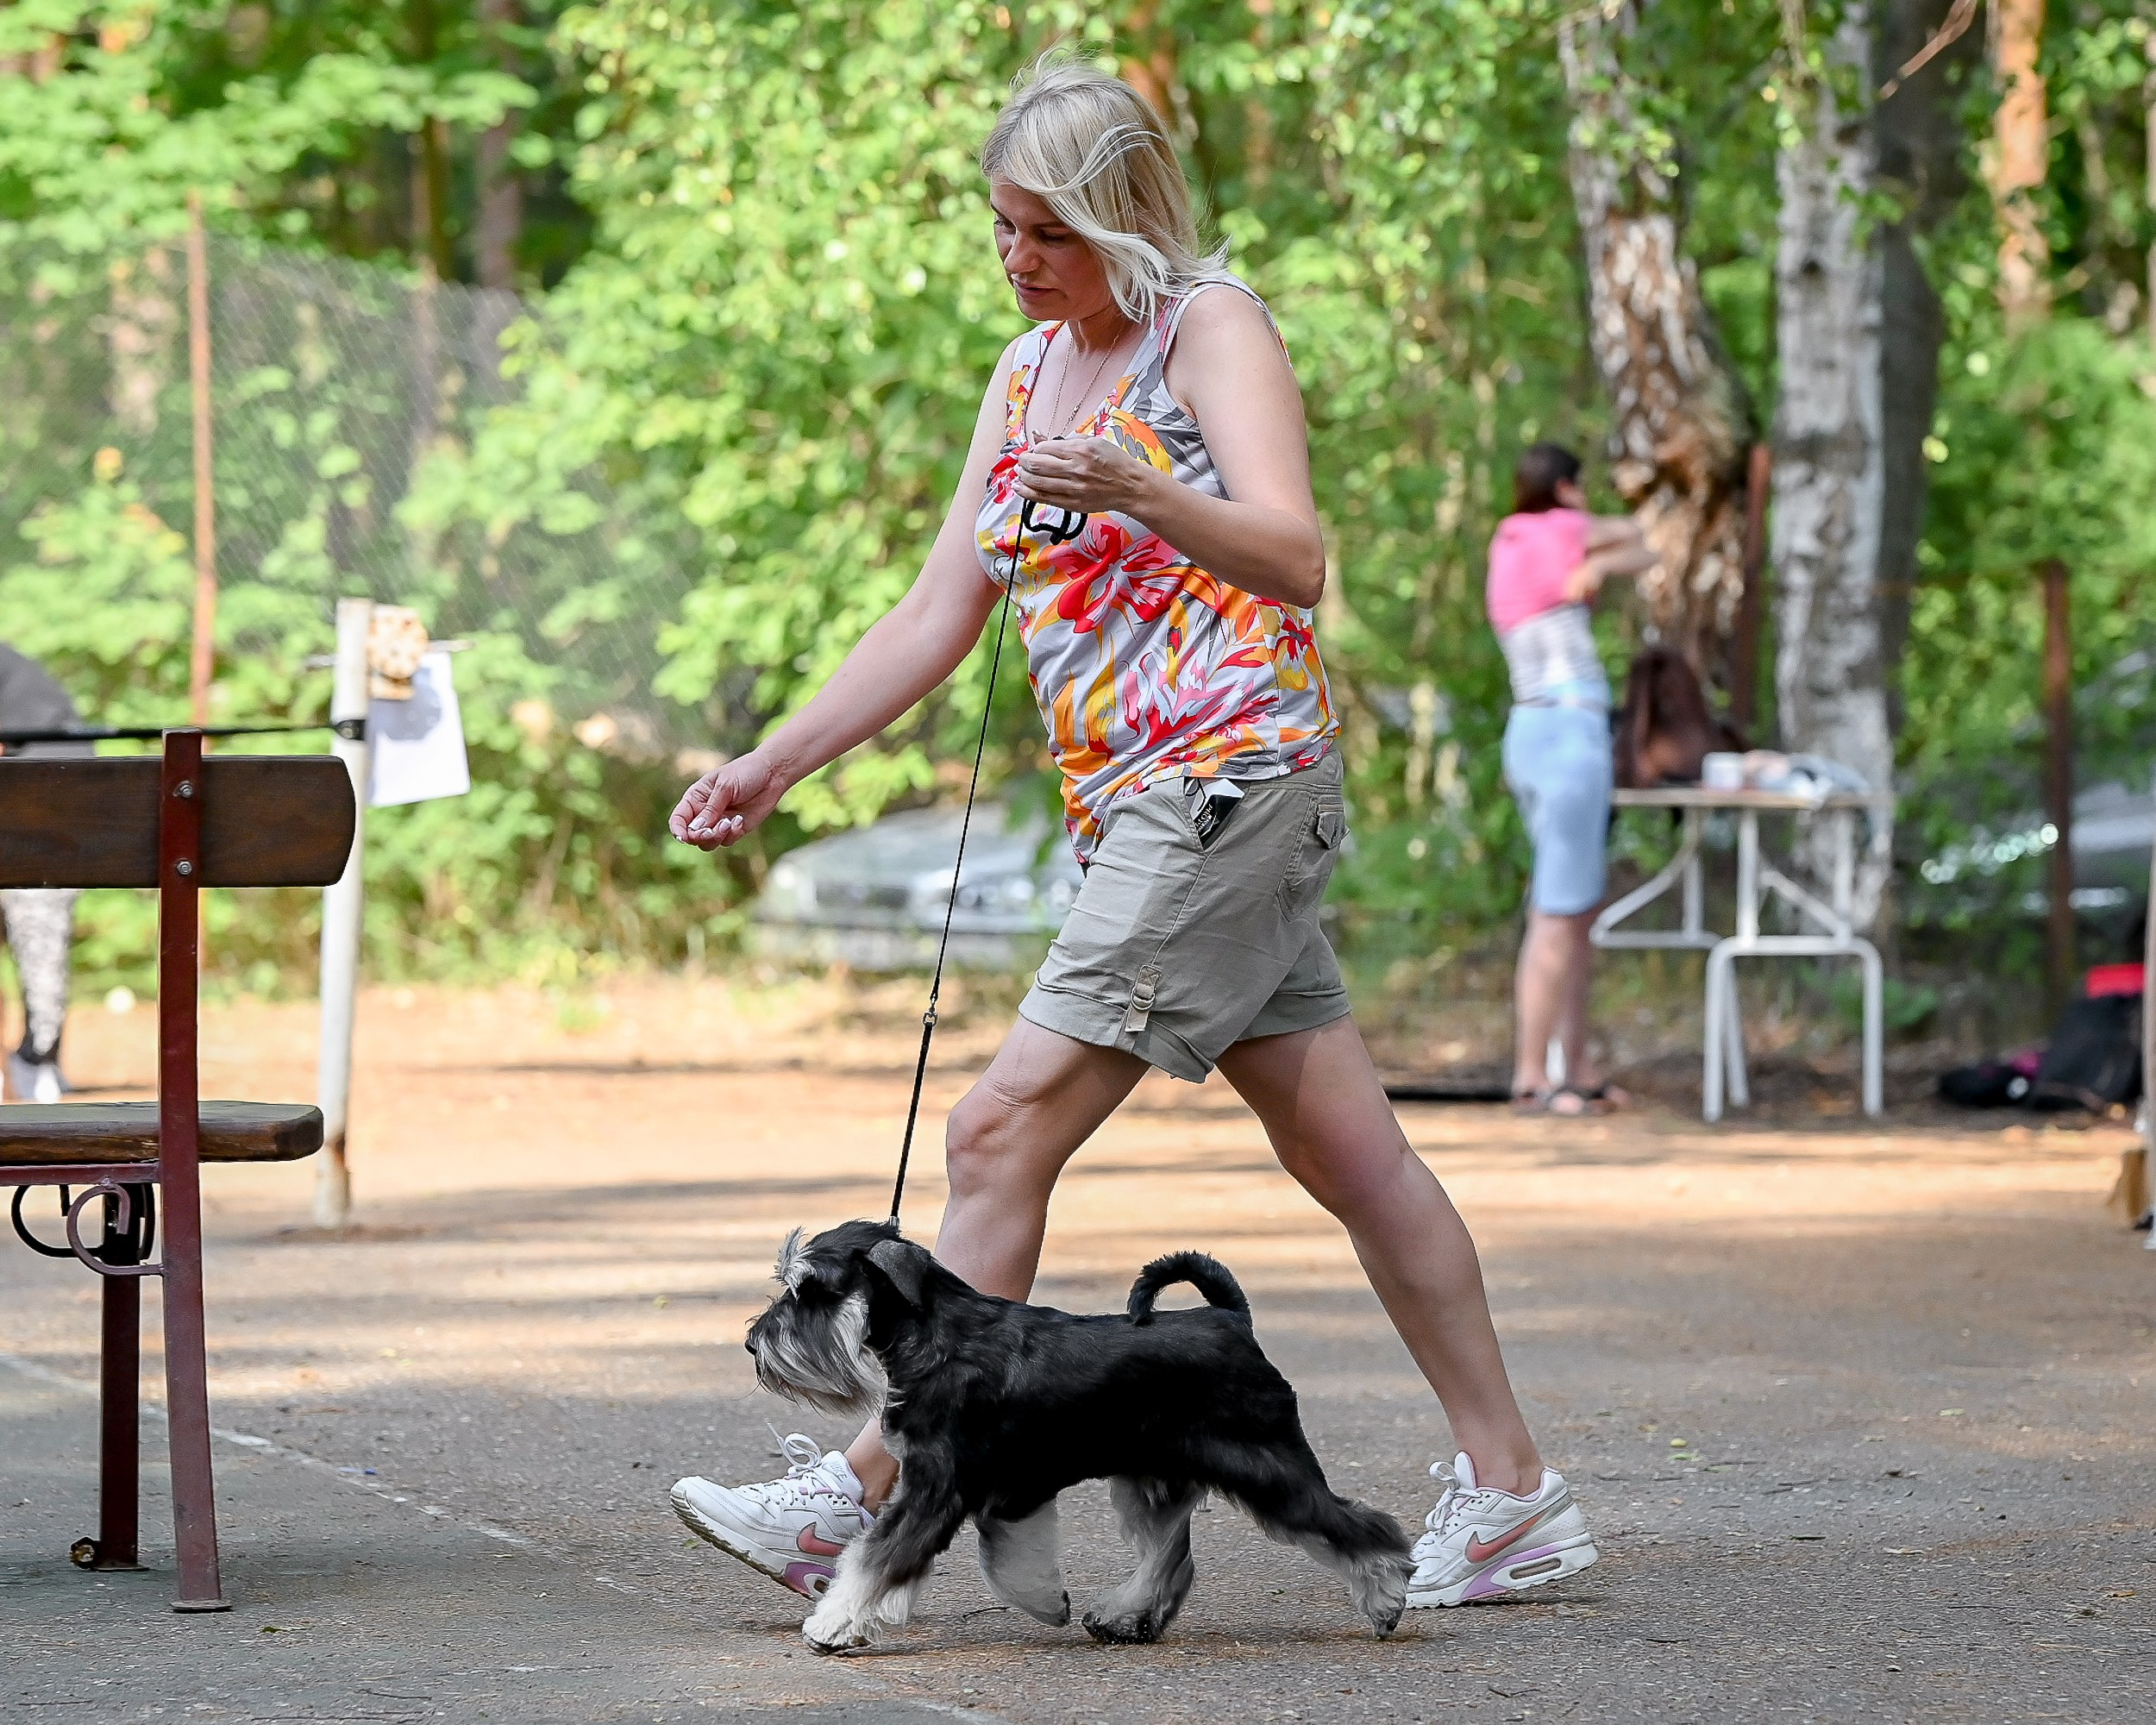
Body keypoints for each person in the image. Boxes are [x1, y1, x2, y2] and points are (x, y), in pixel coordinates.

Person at [666, 57, 1600, 1613]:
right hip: (1137, 817)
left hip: (1229, 784)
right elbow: (936, 613)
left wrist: (1142, 488)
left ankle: (865, 1498)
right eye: (1003, 227)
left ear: (1125, 218)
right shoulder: (1025, 372)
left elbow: (1296, 556)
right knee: (1353, 1156)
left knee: (996, 1130)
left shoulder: (1209, 328)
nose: (1018, 258)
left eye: (1049, 232)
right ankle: (1515, 1498)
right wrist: (775, 763)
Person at [1486, 444, 1656, 1116]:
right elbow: (1644, 540)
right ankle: (1533, 1075)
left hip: (1531, 731)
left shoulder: (1510, 539)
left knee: (1575, 912)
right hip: (1569, 732)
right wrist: (1602, 561)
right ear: (1565, 488)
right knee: (1557, 916)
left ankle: (1575, 1066)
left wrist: (1593, 566)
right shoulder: (1557, 528)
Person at [0, 643, 94, 1103]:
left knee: (39, 925)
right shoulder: (25, 675)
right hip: (55, 829)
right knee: (42, 947)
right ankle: (39, 1058)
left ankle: (37, 1058)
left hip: (35, 827)